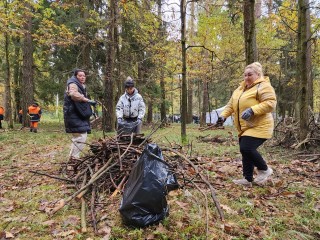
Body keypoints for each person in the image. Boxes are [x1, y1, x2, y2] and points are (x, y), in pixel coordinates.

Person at [217, 62, 277, 187]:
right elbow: (230, 106)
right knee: (245, 151)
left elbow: (271, 103)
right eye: (245, 75)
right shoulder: (240, 89)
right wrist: (223, 116)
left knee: (246, 148)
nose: (246, 77)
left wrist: (252, 110)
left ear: (258, 74)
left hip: (260, 125)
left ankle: (264, 169)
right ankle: (247, 179)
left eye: (250, 75)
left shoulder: (263, 86)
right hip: (245, 127)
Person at [63, 69, 96, 159]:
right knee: (80, 136)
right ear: (75, 76)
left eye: (84, 76)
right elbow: (73, 94)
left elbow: (80, 103)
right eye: (80, 76)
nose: (82, 77)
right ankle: (74, 158)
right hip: (73, 115)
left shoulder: (81, 86)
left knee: (79, 137)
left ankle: (73, 158)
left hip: (78, 115)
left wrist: (89, 110)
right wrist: (87, 100)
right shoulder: (73, 84)